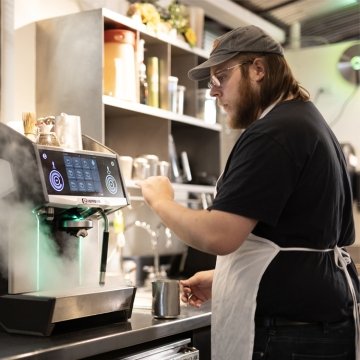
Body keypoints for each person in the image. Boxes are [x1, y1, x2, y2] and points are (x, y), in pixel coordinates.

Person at [138, 25, 359, 360]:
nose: (213, 91)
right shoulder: (304, 121)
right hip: (315, 317)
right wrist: (224, 278)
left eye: (221, 77)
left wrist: (161, 200)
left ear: (258, 69)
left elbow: (219, 235)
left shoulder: (274, 132)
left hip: (290, 329)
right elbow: (299, 239)